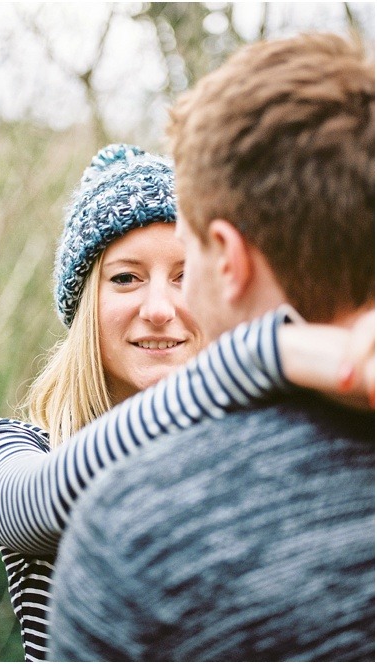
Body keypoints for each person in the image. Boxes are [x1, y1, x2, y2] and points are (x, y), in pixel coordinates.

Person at [0, 145, 374, 660]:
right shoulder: (5, 447)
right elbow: (28, 506)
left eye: (183, 276)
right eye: (125, 277)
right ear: (86, 304)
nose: (159, 309)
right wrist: (259, 355)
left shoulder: (259, 442)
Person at [47, 33, 374, 661]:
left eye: (185, 259)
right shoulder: (24, 454)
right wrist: (274, 354)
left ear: (226, 258)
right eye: (126, 276)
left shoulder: (137, 535)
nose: (166, 306)